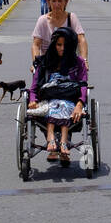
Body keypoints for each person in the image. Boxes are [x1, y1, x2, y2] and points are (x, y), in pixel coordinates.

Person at [28, 26, 88, 165]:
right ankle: (61, 143)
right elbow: (34, 87)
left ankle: (56, 142)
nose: (61, 48)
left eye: (65, 46)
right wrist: (32, 100)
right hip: (47, 99)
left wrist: (80, 104)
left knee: (63, 103)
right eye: (58, 45)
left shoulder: (78, 63)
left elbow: (83, 85)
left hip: (71, 100)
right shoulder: (44, 62)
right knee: (57, 103)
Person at [32, 0, 89, 66]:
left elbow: (81, 40)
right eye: (54, 1)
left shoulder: (71, 18)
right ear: (48, 2)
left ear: (66, 2)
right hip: (48, 65)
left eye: (60, 1)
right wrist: (36, 64)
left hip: (69, 64)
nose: (57, 5)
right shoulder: (43, 20)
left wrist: (84, 61)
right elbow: (36, 44)